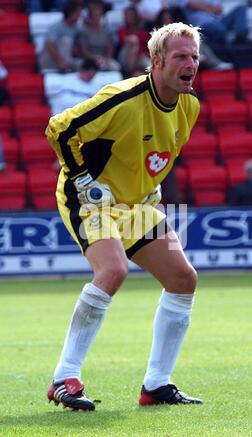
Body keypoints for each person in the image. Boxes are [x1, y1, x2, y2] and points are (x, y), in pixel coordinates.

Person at [45, 22, 203, 411]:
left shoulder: (189, 106)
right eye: (181, 56)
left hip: (135, 203)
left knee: (183, 279)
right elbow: (60, 129)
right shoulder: (122, 98)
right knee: (113, 270)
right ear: (157, 61)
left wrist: (151, 185)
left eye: (195, 56)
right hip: (91, 197)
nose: (191, 64)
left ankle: (156, 385)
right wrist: (83, 178)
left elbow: (160, 154)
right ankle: (63, 378)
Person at [44, 58, 122, 114]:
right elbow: (62, 101)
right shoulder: (67, 81)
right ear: (82, 70)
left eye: (93, 74)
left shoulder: (100, 81)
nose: (90, 76)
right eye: (88, 74)